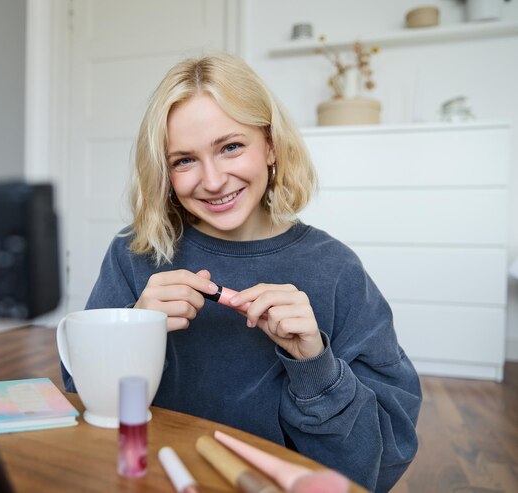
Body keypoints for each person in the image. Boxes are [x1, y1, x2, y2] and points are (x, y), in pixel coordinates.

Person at [62, 53, 421, 492]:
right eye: (183, 161)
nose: (212, 181)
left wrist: (314, 365)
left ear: (270, 145)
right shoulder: (134, 254)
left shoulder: (336, 269)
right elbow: (85, 401)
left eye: (231, 147)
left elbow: (381, 459)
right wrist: (131, 328)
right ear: (164, 170)